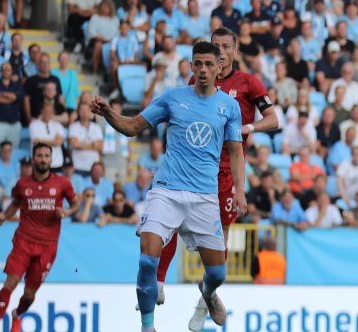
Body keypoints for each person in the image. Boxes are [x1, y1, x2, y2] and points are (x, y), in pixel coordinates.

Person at [89, 41, 245, 332]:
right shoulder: (172, 98)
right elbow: (133, 127)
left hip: (204, 197)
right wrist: (109, 114)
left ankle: (208, 293)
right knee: (147, 261)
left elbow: (236, 152)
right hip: (167, 190)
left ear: (219, 67)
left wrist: (241, 189)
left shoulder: (229, 107)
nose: (202, 70)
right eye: (197, 64)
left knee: (218, 273)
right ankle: (147, 327)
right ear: (190, 66)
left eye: (209, 64)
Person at [152, 27, 278, 330]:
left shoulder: (249, 83)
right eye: (215, 47)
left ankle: (204, 300)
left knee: (220, 234)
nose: (220, 53)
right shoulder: (199, 79)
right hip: (196, 166)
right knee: (175, 222)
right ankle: (157, 281)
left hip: (227, 172)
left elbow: (273, 119)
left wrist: (247, 129)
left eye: (225, 47)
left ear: (234, 50)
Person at [0, 143, 79, 332]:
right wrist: (4, 216)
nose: (43, 159)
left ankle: (17, 315)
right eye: (39, 155)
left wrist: (67, 211)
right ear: (33, 158)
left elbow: (76, 203)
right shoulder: (23, 184)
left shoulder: (62, 184)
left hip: (47, 246)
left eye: (47, 155)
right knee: (11, 282)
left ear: (51, 160)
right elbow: (15, 203)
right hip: (23, 241)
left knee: (29, 295)